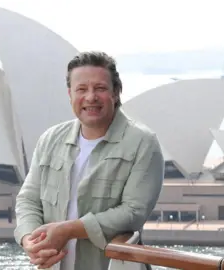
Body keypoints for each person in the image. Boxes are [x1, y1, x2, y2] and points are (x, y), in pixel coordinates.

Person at [14, 51, 165, 270]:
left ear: (116, 92)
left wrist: (68, 230)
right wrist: (29, 239)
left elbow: (133, 212)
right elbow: (28, 199)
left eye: (100, 88)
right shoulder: (51, 139)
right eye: (81, 89)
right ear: (70, 94)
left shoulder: (143, 143)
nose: (91, 97)